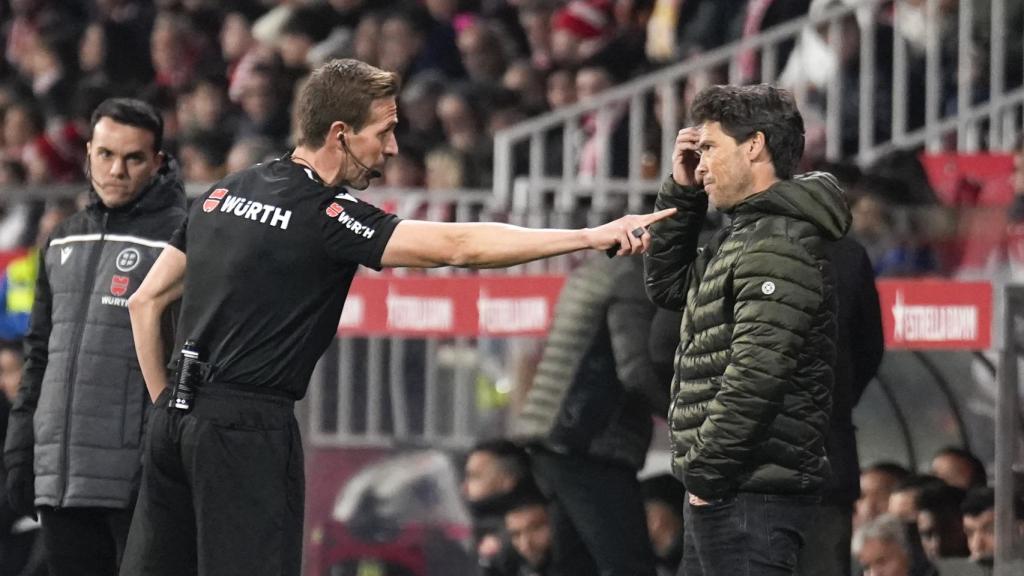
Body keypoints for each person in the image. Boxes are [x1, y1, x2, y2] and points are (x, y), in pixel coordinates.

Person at [120, 58, 674, 576]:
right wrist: (587, 235)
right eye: (382, 132)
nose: (391, 147)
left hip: (175, 419)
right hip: (245, 429)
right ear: (340, 134)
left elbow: (145, 302)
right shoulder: (326, 213)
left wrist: (167, 404)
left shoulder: (224, 191)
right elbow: (458, 245)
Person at [644, 83, 852, 576]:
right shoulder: (746, 233)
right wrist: (682, 195)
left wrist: (705, 473)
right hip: (731, 488)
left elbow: (756, 376)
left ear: (754, 146)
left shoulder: (779, 242)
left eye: (710, 147)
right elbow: (668, 288)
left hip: (749, 494)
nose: (701, 164)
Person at [3, 98, 187, 576]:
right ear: (87, 153)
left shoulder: (181, 240)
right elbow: (39, 355)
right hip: (62, 481)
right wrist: (21, 449)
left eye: (133, 158)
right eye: (105, 154)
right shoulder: (61, 239)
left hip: (139, 484)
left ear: (158, 162)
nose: (116, 171)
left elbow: (188, 361)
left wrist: (162, 460)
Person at [513, 253, 667, 576]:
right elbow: (636, 371)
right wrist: (683, 415)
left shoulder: (595, 270)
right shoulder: (633, 278)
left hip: (556, 438)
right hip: (589, 440)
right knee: (629, 565)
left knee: (575, 564)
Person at [797, 234, 884, 576]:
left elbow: (663, 346)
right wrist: (833, 403)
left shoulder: (723, 245)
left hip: (740, 472)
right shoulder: (846, 254)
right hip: (826, 456)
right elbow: (869, 348)